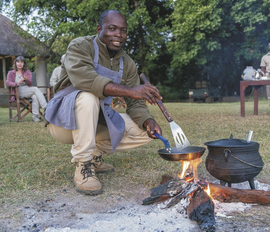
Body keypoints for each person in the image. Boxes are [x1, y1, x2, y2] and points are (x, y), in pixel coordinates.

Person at [45, 10, 163, 195]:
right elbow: (86, 80)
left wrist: (148, 121)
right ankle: (83, 165)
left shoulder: (128, 63)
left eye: (123, 30)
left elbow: (135, 103)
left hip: (99, 118)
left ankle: (94, 155)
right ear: (99, 29)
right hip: (64, 122)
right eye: (112, 28)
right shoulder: (79, 46)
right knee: (88, 96)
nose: (118, 34)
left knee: (144, 132)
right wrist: (131, 90)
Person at [6, 56, 48, 122]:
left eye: (21, 62)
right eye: (18, 62)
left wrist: (25, 80)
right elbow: (8, 83)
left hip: (27, 90)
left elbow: (30, 82)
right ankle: (46, 107)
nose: (20, 64)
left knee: (35, 97)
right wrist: (16, 84)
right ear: (15, 63)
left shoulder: (27, 72)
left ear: (24, 64)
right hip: (17, 91)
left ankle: (36, 118)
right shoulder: (11, 73)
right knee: (35, 89)